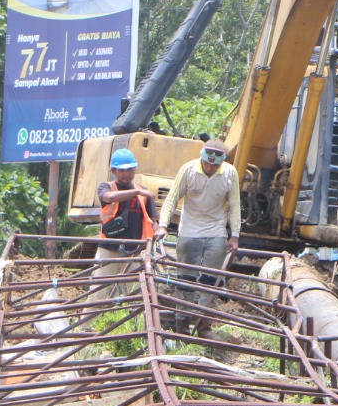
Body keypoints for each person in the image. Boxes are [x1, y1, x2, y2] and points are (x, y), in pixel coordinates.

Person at [158, 138, 241, 334]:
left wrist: (235, 235)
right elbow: (172, 198)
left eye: (215, 165)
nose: (210, 168)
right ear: (202, 158)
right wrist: (163, 225)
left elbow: (235, 205)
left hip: (216, 230)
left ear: (221, 163)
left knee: (210, 281)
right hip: (189, 230)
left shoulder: (230, 173)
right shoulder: (188, 170)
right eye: (207, 163)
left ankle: (203, 326)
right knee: (186, 279)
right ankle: (182, 325)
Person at [93, 148, 165, 300]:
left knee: (136, 295)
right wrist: (136, 193)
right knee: (98, 292)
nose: (127, 173)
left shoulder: (143, 192)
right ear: (113, 171)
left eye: (130, 169)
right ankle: (89, 316)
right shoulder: (107, 187)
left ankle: (132, 316)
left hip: (134, 251)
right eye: (122, 170)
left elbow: (153, 221)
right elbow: (109, 197)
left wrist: (159, 231)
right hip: (109, 248)